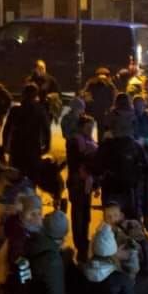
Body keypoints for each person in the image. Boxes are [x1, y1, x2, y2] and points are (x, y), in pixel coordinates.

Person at [63, 101, 97, 260]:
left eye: (92, 127)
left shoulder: (89, 140)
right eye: (89, 127)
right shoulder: (75, 141)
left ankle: (84, 240)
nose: (91, 130)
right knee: (78, 214)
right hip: (77, 183)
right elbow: (75, 162)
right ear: (82, 127)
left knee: (85, 214)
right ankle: (80, 245)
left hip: (86, 183)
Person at [5, 85, 51, 182]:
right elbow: (46, 129)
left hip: (17, 147)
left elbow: (7, 129)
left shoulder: (15, 110)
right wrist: (47, 146)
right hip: (33, 147)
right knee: (32, 178)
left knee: (16, 177)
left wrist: (5, 145)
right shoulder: (40, 110)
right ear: (36, 96)